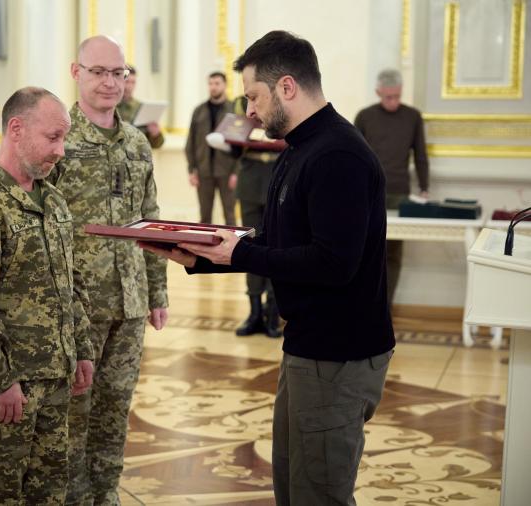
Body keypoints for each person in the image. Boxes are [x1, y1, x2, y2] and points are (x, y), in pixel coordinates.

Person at [140, 30, 395, 505]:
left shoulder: (337, 154)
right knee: (293, 486)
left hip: (338, 354)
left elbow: (334, 263)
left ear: (287, 87)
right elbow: (276, 240)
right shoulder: (299, 148)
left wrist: (237, 254)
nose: (249, 111)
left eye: (254, 96)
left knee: (318, 494)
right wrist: (204, 256)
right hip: (309, 348)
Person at [0, 87, 95, 505]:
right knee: (0, 498)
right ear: (16, 129)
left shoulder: (54, 202)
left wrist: (82, 349)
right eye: (53, 138)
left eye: (64, 139)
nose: (61, 150)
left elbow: (70, 283)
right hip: (8, 392)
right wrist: (0, 381)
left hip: (55, 380)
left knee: (49, 494)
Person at [47, 35, 168, 506]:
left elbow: (153, 217)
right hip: (78, 303)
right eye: (98, 72)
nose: (109, 82)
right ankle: (76, 499)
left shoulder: (138, 142)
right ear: (76, 73)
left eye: (117, 73)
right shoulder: (60, 138)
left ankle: (106, 496)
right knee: (75, 413)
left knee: (115, 411)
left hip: (131, 300)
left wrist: (157, 293)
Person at [354, 68, 429, 307]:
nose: (394, 101)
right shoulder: (365, 117)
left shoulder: (412, 117)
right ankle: (363, 305)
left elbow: (420, 155)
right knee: (364, 251)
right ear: (378, 92)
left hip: (399, 193)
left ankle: (383, 308)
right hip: (368, 194)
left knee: (392, 254)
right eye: (388, 97)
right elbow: (354, 157)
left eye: (397, 96)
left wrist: (424, 187)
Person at [231, 95, 286, 338]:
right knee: (249, 246)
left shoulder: (282, 101)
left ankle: (273, 313)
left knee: (277, 249)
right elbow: (233, 144)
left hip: (278, 179)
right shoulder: (242, 103)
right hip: (251, 182)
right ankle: (253, 313)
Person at [185, 71, 237, 225]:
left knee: (230, 214)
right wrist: (191, 169)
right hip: (203, 171)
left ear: (225, 85)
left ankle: (234, 248)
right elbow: (190, 142)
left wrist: (236, 172)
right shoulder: (199, 110)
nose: (213, 87)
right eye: (210, 83)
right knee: (205, 216)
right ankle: (204, 248)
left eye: (217, 83)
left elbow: (241, 145)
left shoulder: (233, 110)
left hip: (227, 171)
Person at [116, 65, 165, 148]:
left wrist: (155, 134)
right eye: (127, 82)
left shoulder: (142, 108)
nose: (129, 86)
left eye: (133, 82)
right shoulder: (107, 106)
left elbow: (156, 145)